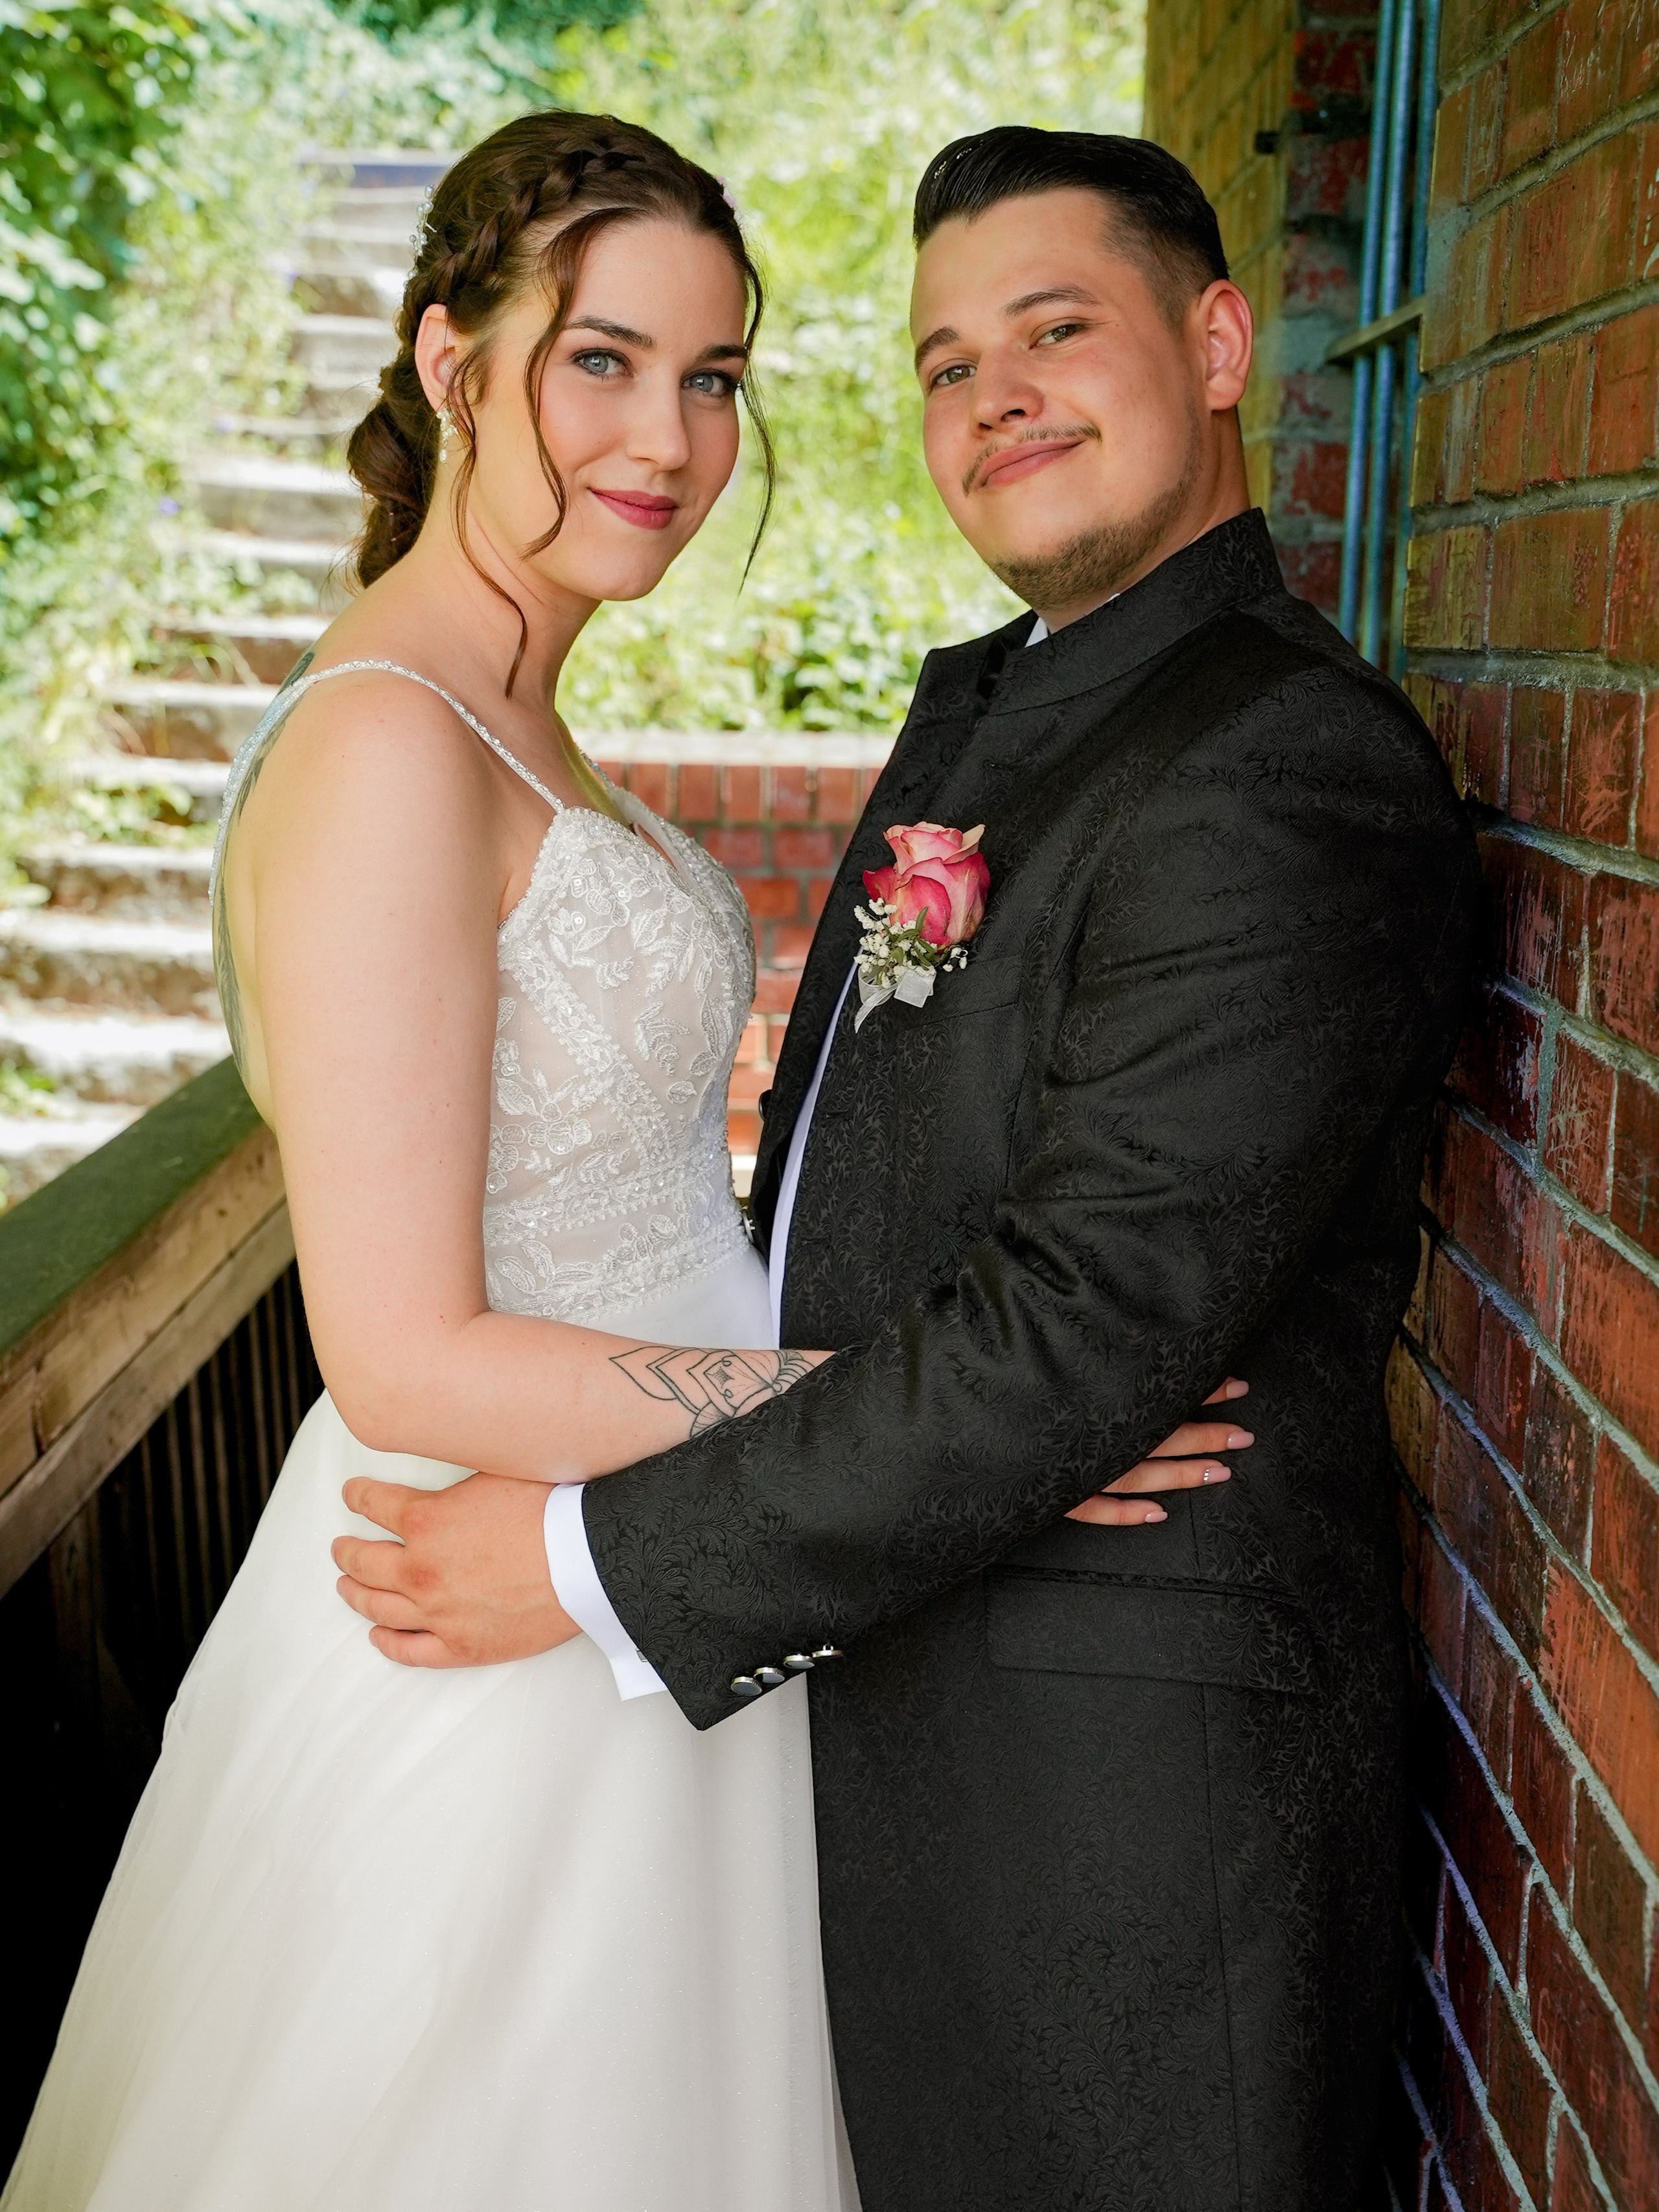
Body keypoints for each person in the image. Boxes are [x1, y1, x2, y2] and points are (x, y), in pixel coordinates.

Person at [2, 115, 1230, 2212]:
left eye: (717, 372)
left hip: (676, 1576)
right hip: (507, 1624)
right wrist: (936, 1434)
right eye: (603, 358)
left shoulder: (516, 718)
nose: (670, 433)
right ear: (453, 360)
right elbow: (401, 1352)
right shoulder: (392, 742)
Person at [335, 129, 1481, 2210]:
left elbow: (1082, 1330)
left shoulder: (1280, 764)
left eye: (1059, 330)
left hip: (1123, 1846)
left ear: (1220, 343)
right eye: (947, 362)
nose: (996, 396)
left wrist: (599, 1558)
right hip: (894, 1716)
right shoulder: (1012, 710)